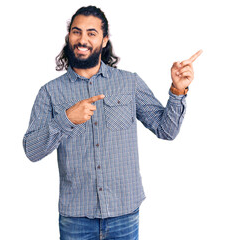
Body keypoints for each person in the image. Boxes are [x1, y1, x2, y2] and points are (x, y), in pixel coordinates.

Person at [22, 5, 202, 240]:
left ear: (104, 40)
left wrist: (178, 90)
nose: (82, 39)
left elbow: (165, 130)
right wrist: (66, 119)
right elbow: (31, 151)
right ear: (68, 37)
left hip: (124, 214)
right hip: (76, 217)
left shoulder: (129, 83)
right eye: (76, 32)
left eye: (91, 33)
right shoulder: (50, 92)